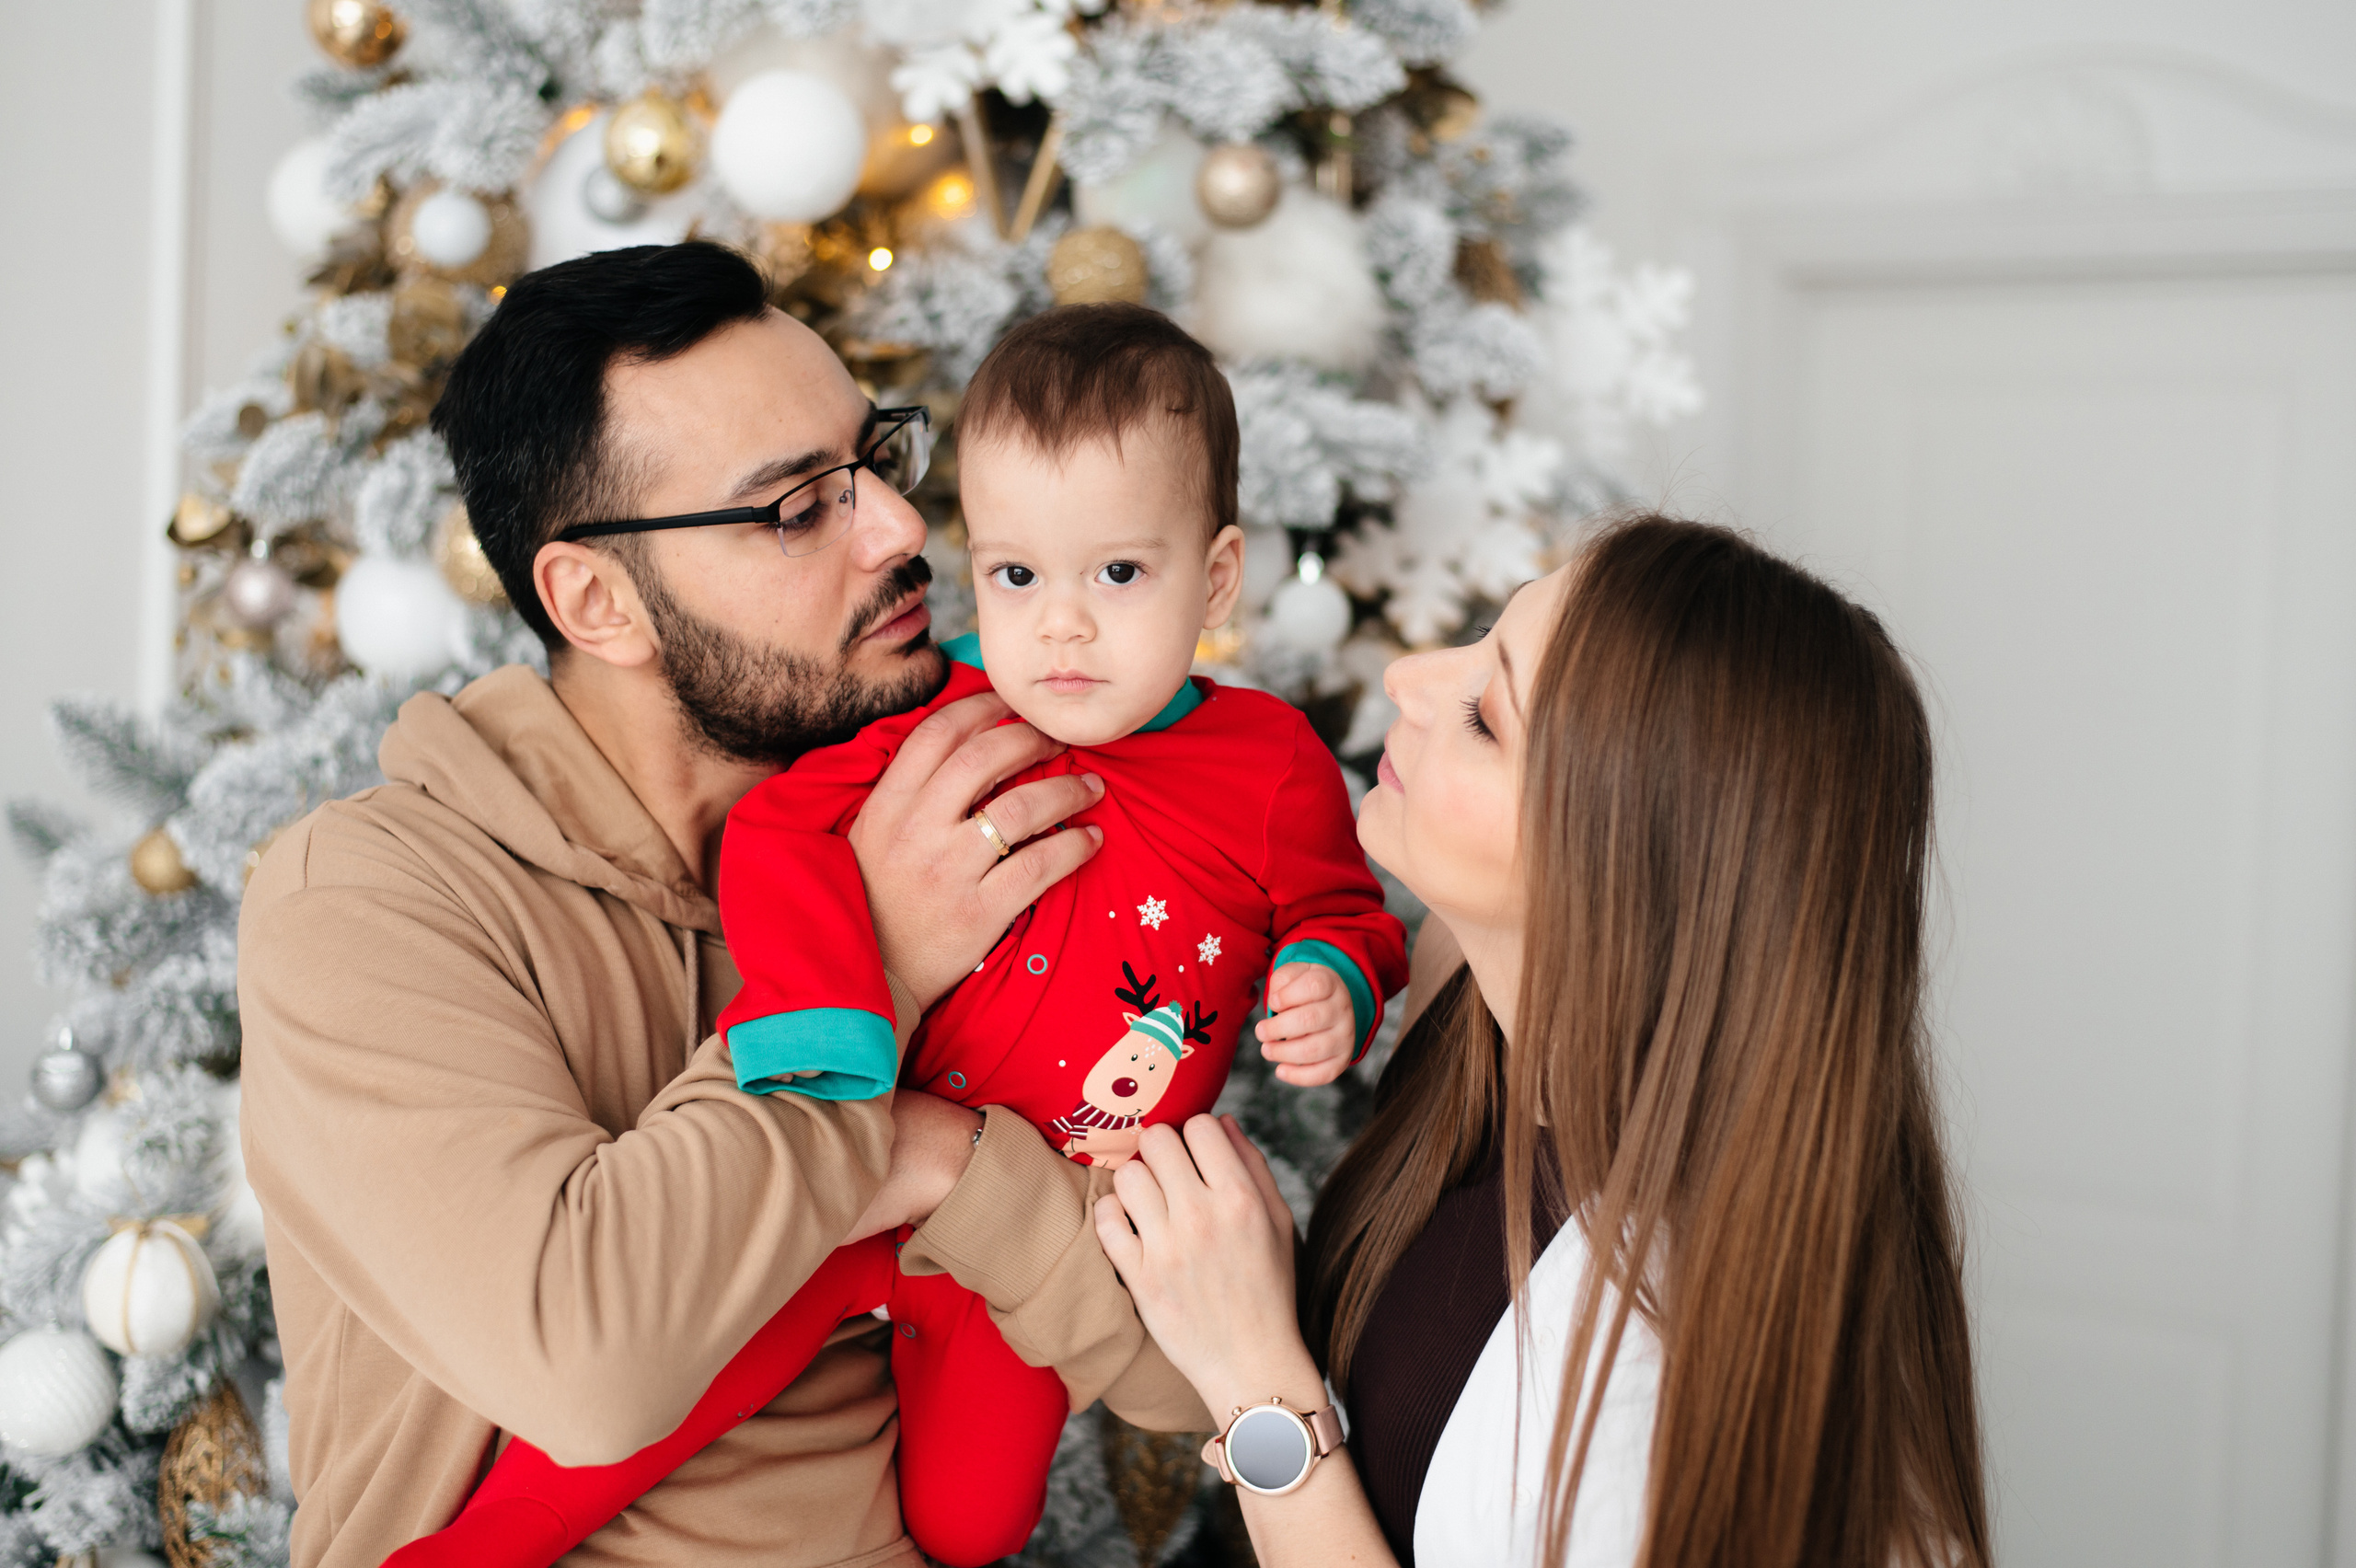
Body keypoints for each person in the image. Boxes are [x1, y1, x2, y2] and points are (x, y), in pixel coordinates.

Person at [237, 241, 1207, 1568]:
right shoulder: (367, 902)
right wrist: (877, 983)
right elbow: (588, 1361)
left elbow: (1190, 1365)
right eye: (799, 507)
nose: (903, 530)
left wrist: (959, 1165)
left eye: (875, 460)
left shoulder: (971, 792)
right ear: (597, 600)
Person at [387, 305, 1406, 1566]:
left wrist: (1333, 976)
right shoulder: (942, 720)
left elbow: (1337, 910)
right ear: (591, 596)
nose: (1063, 625)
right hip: (853, 1181)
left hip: (1056, 1208)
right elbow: (780, 843)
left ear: (1217, 575)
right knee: (687, 1389)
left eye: (1120, 575)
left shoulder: (1268, 765)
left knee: (973, 1524)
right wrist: (840, 1001)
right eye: (1019, 575)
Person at [1092, 517, 1994, 1568]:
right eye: (1478, 636)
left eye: (1483, 715)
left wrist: (1256, 1378)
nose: (1408, 677)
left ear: (1619, 866)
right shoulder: (1461, 989)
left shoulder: (1651, 1373)